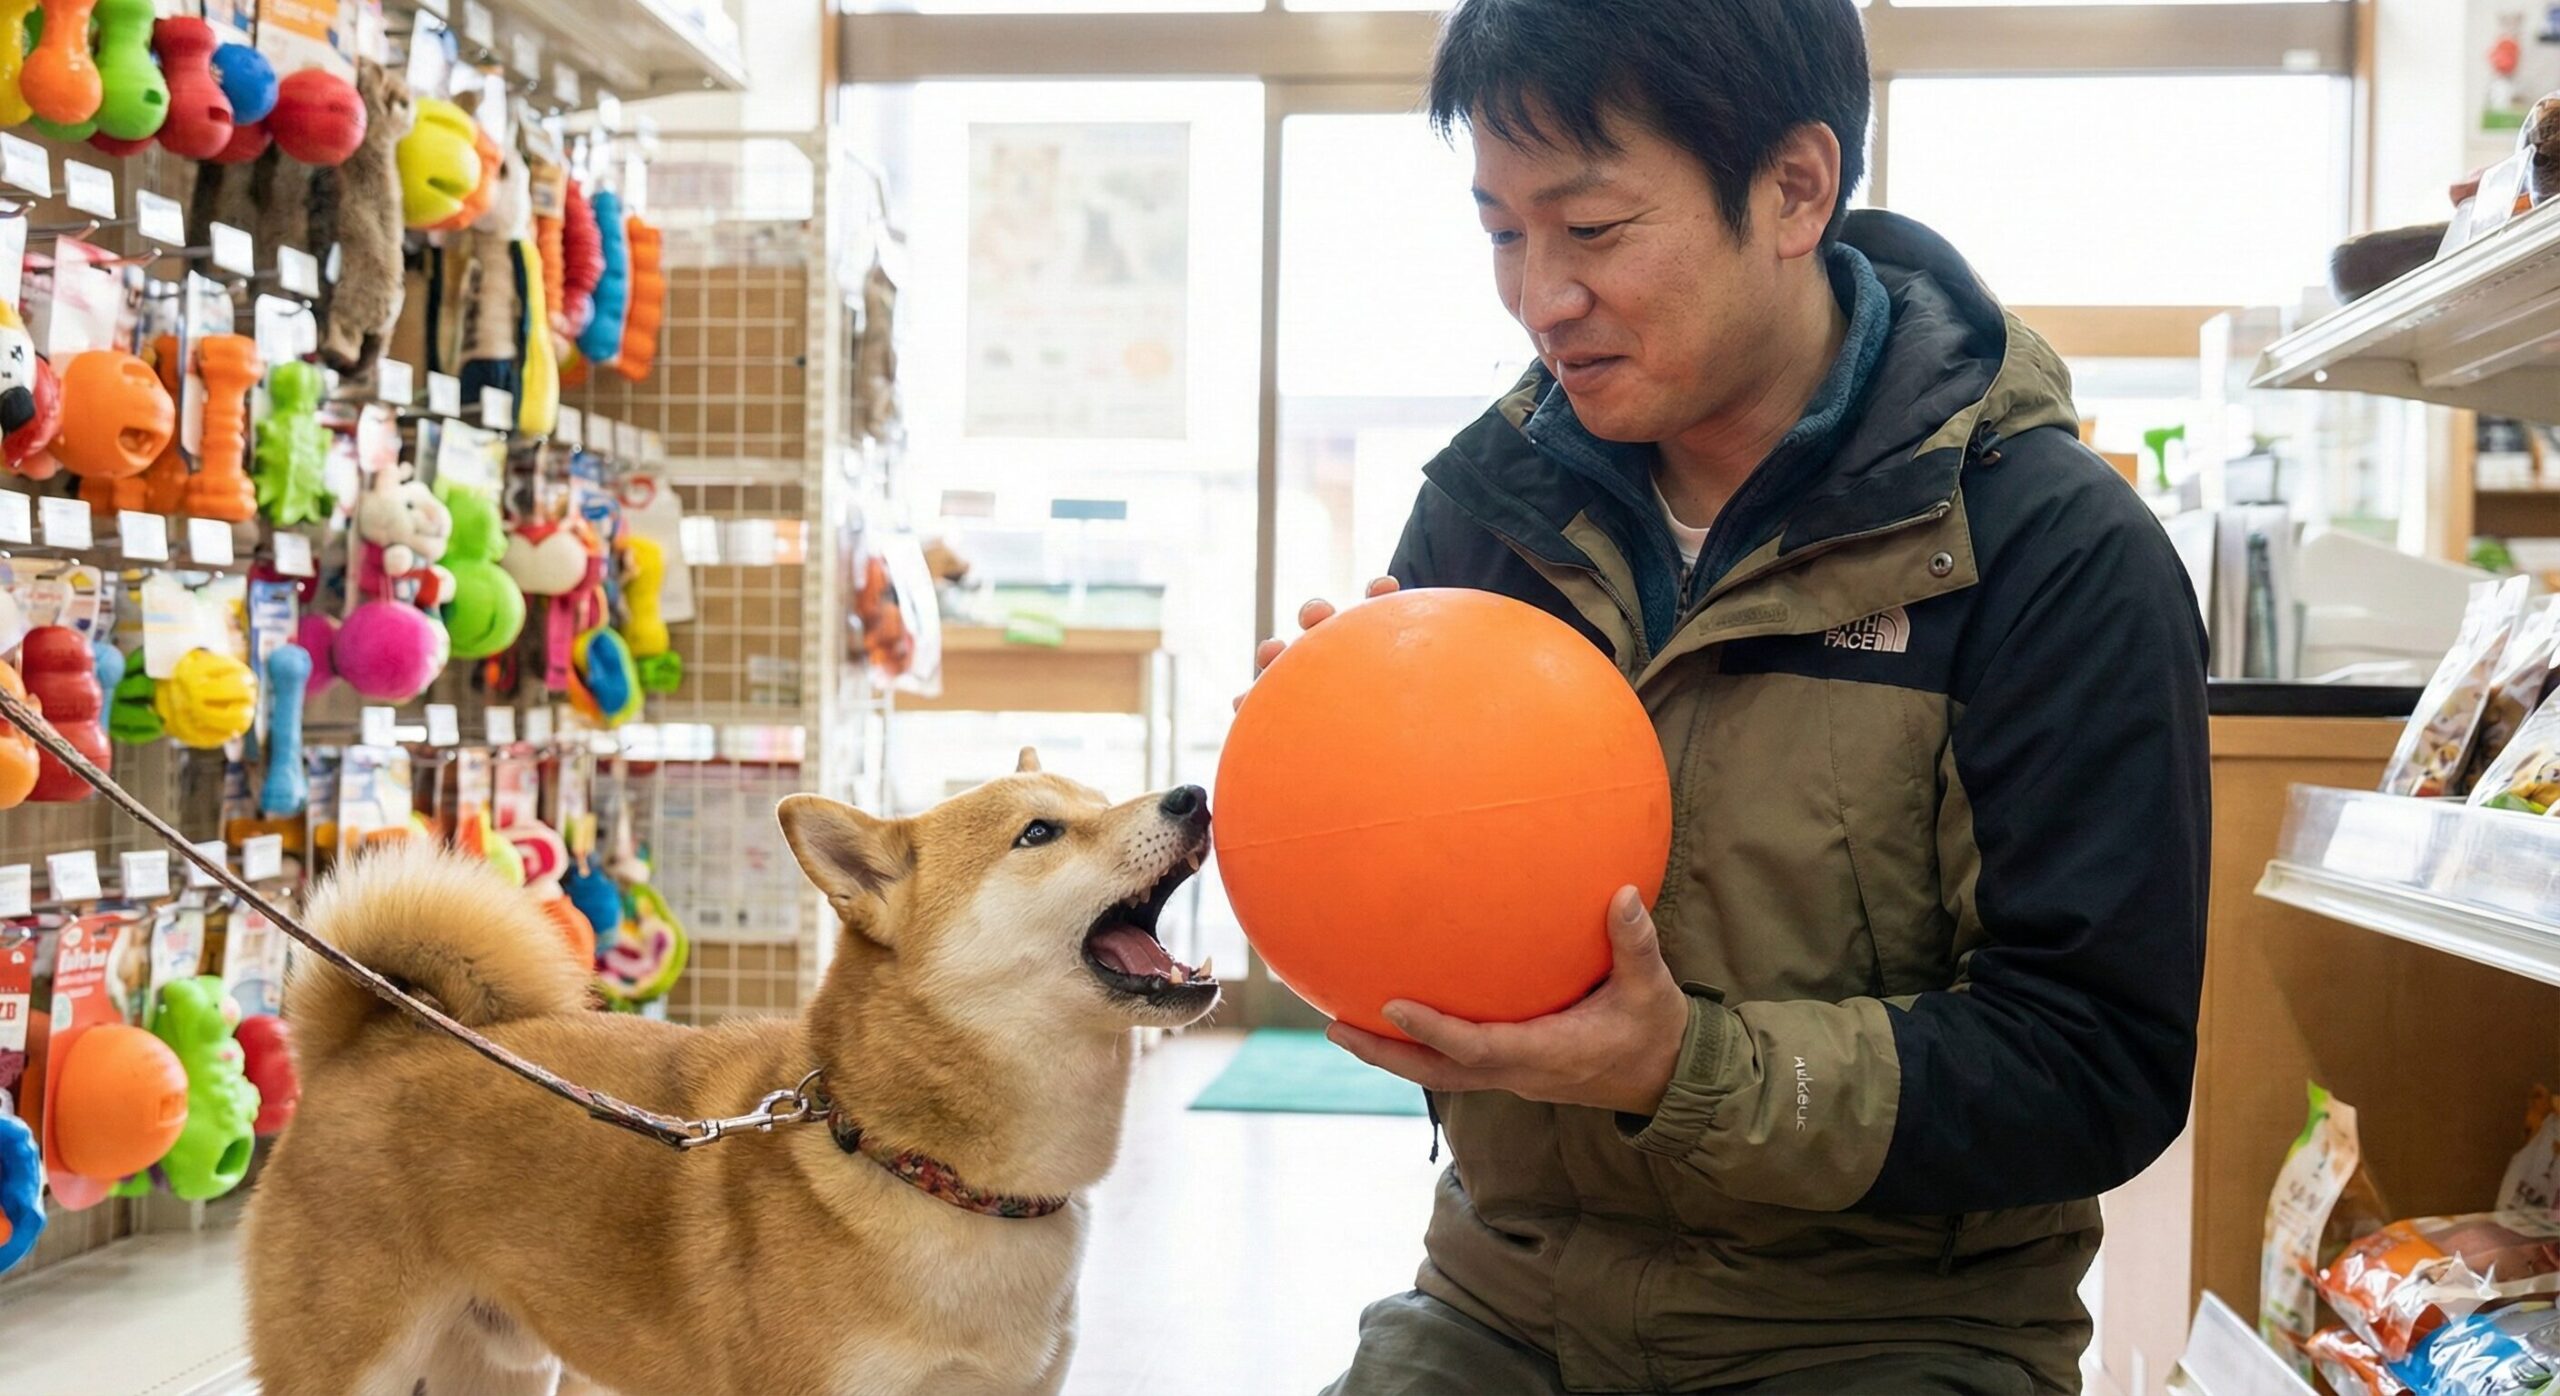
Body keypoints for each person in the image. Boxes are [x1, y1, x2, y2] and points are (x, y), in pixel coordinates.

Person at [1251, 2, 2212, 1392]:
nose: (1540, 298)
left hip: (1887, 1331)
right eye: (1503, 233)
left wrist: (1685, 1067)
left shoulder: (2048, 552)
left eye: (1592, 229)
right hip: (1505, 1303)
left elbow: (2096, 1065)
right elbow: (1427, 926)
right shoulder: (1488, 515)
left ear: (1794, 190)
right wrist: (1330, 779)